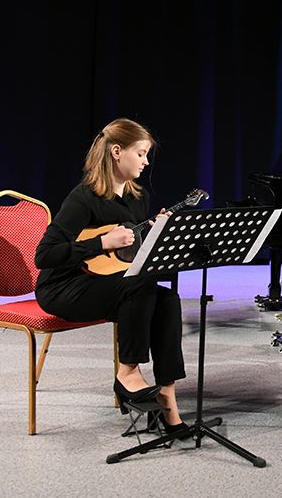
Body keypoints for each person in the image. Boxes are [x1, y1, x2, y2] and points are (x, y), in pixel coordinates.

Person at [35, 118, 187, 435]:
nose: (146, 162)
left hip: (111, 284)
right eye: (141, 154)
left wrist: (156, 235)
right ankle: (127, 371)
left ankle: (167, 396)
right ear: (117, 152)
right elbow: (45, 255)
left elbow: (128, 259)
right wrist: (101, 242)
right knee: (140, 285)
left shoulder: (138, 198)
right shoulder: (83, 198)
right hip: (64, 287)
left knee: (167, 299)